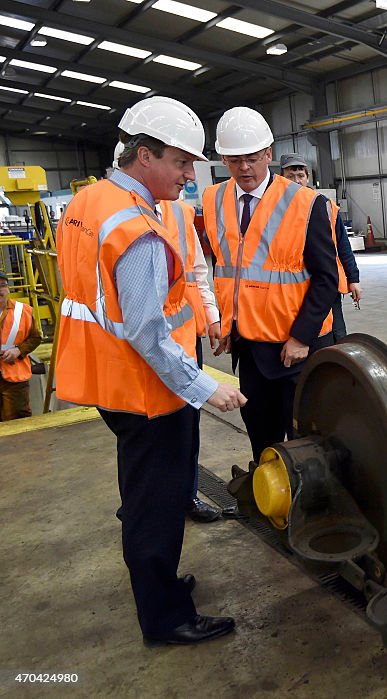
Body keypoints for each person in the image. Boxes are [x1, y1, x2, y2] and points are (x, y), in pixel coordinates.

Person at [55, 96, 246, 645]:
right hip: (146, 389)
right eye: (181, 163)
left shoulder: (89, 202)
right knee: (156, 507)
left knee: (141, 494)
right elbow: (145, 331)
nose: (189, 177)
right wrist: (204, 386)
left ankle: (156, 581)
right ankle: (166, 618)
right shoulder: (136, 228)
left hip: (107, 380)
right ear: (143, 155)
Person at [204, 109, 338, 466]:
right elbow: (226, 268)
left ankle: (305, 506)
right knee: (260, 431)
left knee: (304, 437)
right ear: (222, 159)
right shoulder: (214, 200)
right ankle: (267, 493)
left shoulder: (306, 203)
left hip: (295, 347)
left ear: (268, 154)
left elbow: (327, 279)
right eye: (234, 160)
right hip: (249, 347)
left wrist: (302, 337)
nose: (244, 168)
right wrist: (227, 323)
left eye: (251, 158)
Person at [113, 140, 225, 523]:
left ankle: (186, 495)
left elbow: (196, 270)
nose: (187, 175)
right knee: (142, 437)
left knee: (184, 429)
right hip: (143, 346)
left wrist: (210, 315)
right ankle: (140, 502)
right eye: (180, 164)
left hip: (182, 337)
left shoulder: (178, 211)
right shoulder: (122, 215)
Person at [279, 152, 362, 342]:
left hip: (325, 284)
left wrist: (353, 278)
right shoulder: (274, 209)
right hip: (290, 289)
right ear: (280, 179)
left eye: (301, 176)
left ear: (308, 178)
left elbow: (342, 245)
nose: (296, 181)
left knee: (337, 334)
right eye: (290, 176)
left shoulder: (324, 206)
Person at [0, 270, 42, 420]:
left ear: (8, 288)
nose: (0, 290)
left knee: (18, 419)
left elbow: (36, 337)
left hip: (14, 377)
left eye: (3, 286)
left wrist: (19, 351)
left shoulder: (22, 311)